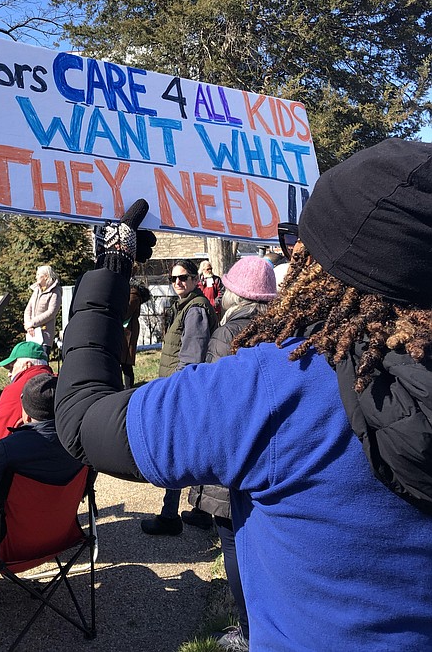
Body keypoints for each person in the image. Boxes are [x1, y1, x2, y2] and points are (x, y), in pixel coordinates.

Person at [54, 144, 432, 652]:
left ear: (321, 266)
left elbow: (82, 420)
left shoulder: (277, 385)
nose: (292, 256)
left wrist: (109, 272)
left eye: (302, 245)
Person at [183, 257, 277, 651]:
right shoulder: (280, 328)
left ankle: (247, 630)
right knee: (263, 541)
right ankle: (269, 623)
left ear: (236, 294)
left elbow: (213, 398)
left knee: (232, 542)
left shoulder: (227, 334)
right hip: (270, 450)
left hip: (231, 453)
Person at [0, 374, 83, 575]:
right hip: (60, 538)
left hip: (5, 549)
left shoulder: (8, 450)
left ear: (28, 415)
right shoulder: (81, 444)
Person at [141, 259, 218, 536]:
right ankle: (200, 512)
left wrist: (175, 393)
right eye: (173, 278)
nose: (177, 282)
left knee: (174, 451)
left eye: (183, 277)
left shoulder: (195, 309)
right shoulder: (184, 305)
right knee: (193, 449)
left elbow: (192, 358)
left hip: (183, 391)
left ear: (196, 279)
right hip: (182, 388)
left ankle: (170, 516)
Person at [0, 341, 53, 454]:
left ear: (27, 365)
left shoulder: (15, 389)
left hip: (22, 459)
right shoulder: (60, 383)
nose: (9, 374)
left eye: (11, 367)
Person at [24, 265, 61, 358]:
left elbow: (51, 312)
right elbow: (28, 309)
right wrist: (29, 326)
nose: (36, 277)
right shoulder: (36, 290)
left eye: (38, 274)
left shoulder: (55, 292)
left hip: (44, 335)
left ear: (46, 276)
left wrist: (32, 323)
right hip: (31, 333)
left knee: (42, 361)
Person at [121, 282, 150, 389]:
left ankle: (128, 387)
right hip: (128, 330)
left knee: (125, 360)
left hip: (128, 331)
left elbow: (126, 313)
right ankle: (127, 386)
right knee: (125, 360)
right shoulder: (134, 295)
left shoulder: (133, 296)